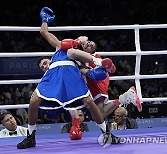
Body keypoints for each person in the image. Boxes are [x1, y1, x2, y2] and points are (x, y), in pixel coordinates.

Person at [17, 7, 120, 149]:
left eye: (44, 62)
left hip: (72, 74)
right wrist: (45, 21)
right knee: (34, 101)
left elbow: (87, 72)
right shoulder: (59, 47)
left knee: (89, 102)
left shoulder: (80, 58)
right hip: (54, 74)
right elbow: (43, 32)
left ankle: (107, 133)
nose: (44, 65)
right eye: (42, 66)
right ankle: (31, 136)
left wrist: (97, 69)